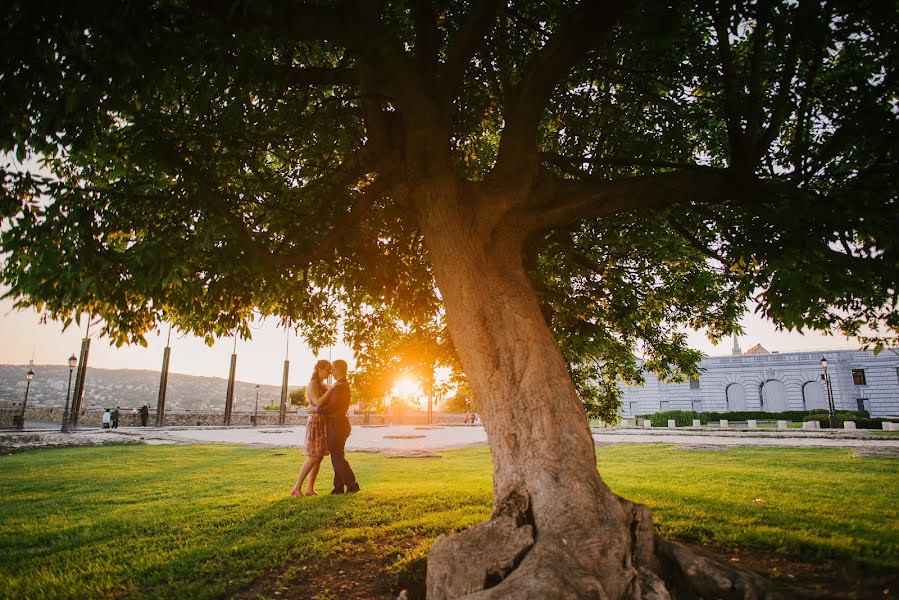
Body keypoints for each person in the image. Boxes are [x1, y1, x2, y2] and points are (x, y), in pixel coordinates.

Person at [290, 360, 333, 497]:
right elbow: (318, 402)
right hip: (315, 422)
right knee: (314, 456)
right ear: (319, 369)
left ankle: (309, 489)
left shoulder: (322, 385)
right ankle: (296, 488)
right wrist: (331, 390)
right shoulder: (313, 384)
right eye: (327, 370)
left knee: (319, 457)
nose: (329, 372)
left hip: (322, 421)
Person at [316, 359, 359, 494]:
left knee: (337, 456)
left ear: (339, 370)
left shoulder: (340, 387)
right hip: (339, 424)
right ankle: (338, 487)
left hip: (337, 425)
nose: (331, 372)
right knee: (338, 455)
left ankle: (352, 484)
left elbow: (332, 406)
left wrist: (317, 409)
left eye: (333, 369)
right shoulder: (341, 385)